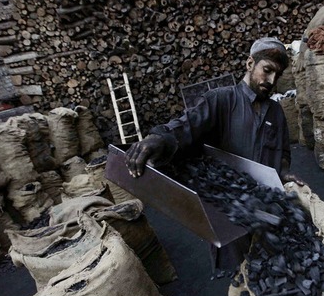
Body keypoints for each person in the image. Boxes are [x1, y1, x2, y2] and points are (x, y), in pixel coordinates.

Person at [125, 37, 302, 268]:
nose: (271, 80)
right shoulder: (220, 99)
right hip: (229, 210)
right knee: (239, 273)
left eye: (276, 75)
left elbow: (283, 152)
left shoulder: (276, 112)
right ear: (250, 64)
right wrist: (158, 138)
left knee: (272, 266)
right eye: (267, 70)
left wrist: (285, 171)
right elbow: (185, 126)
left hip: (266, 207)